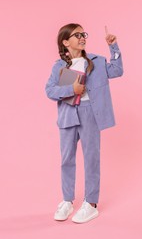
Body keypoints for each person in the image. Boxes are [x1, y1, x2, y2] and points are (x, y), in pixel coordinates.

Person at [45, 23, 123, 224]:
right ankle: (67, 200)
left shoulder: (96, 61)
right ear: (65, 42)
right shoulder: (59, 66)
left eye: (83, 34)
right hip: (68, 114)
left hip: (90, 113)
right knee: (66, 159)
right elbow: (50, 91)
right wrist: (71, 89)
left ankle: (91, 203)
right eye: (76, 35)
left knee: (91, 158)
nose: (82, 37)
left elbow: (117, 70)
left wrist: (113, 47)